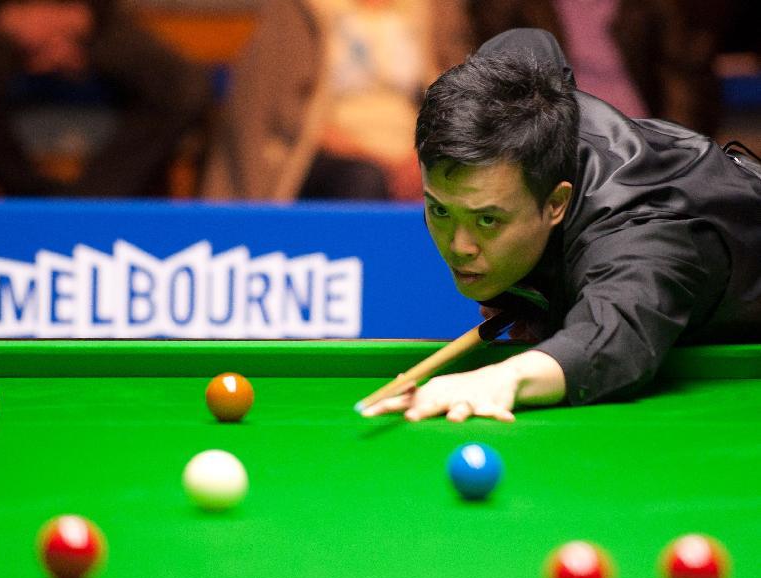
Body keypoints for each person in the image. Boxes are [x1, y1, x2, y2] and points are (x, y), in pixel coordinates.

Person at [363, 28, 761, 423]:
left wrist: (504, 379)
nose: (461, 246)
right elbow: (528, 40)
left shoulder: (641, 229)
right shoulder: (519, 89)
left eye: (488, 219)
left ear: (556, 204)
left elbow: (613, 337)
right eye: (441, 211)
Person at [0, 0, 209, 197]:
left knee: (186, 87)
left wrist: (77, 16)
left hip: (82, 14)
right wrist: (7, 15)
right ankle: (33, 199)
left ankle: (87, 204)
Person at [201, 0, 472, 201]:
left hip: (416, 151)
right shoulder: (302, 9)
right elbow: (272, 104)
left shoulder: (434, 8)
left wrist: (428, 154)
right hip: (322, 148)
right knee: (364, 178)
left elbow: (461, 90)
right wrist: (369, 155)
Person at [466, 0, 728, 137]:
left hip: (645, 140)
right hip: (558, 146)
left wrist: (674, 152)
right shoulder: (508, 6)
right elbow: (503, 88)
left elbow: (687, 80)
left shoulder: (656, 5)